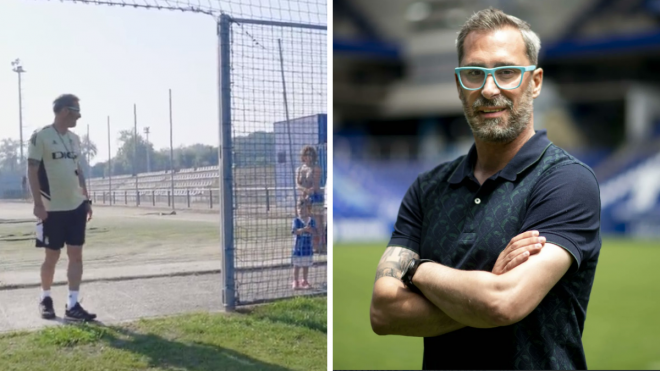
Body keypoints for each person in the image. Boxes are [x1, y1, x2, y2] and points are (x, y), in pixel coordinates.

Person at [369, 8, 601, 370]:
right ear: (460, 84)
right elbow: (383, 312)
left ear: (535, 81)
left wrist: (416, 269)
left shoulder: (567, 181)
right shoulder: (427, 189)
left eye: (506, 72)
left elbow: (504, 303)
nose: (489, 89)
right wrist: (486, 288)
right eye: (474, 73)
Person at [27, 94, 96, 322]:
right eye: (77, 111)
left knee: (76, 256)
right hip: (50, 210)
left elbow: (79, 171)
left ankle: (73, 305)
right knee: (52, 256)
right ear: (65, 111)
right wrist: (37, 203)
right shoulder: (41, 137)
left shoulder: (75, 139)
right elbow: (32, 171)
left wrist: (86, 199)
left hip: (75, 207)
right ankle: (45, 298)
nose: (79, 116)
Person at [295, 145, 325, 254]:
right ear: (303, 156)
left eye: (311, 154)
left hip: (315, 198)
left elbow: (316, 185)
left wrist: (310, 192)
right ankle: (308, 244)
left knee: (318, 223)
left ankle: (320, 244)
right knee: (304, 222)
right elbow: (297, 184)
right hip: (303, 198)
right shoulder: (299, 169)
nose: (309, 157)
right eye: (306, 154)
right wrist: (305, 191)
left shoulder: (316, 168)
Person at [291, 199, 316, 290]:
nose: (301, 211)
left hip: (307, 247)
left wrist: (311, 230)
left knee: (306, 265)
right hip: (298, 248)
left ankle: (304, 280)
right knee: (296, 266)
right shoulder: (296, 221)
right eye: (299, 208)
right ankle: (295, 281)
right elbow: (295, 231)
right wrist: (304, 230)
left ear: (308, 210)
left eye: (304, 209)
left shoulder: (311, 221)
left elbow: (314, 231)